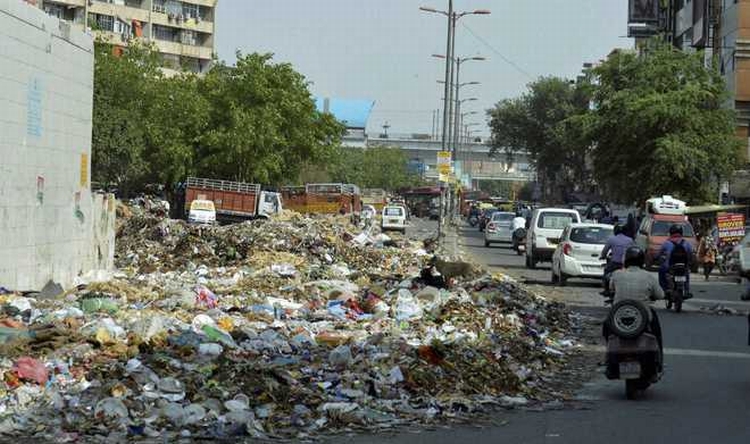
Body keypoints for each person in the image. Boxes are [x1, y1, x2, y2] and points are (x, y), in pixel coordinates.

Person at [607, 246, 664, 364]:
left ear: (626, 260)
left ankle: (608, 358)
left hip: (618, 318)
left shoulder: (617, 274)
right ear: (642, 261)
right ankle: (659, 361)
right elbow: (660, 295)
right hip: (643, 318)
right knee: (656, 332)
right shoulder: (648, 276)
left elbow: (611, 289)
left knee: (606, 329)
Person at [658, 224, 694, 295]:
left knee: (661, 271)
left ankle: (665, 290)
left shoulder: (666, 243)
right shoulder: (687, 243)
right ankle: (687, 291)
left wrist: (657, 258)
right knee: (686, 274)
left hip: (670, 267)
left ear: (671, 232)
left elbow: (659, 254)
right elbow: (691, 254)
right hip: (683, 267)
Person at [600, 224, 635, 295]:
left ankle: (606, 290)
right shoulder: (630, 240)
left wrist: (603, 256)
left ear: (615, 231)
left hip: (614, 263)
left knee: (606, 272)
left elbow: (605, 251)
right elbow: (634, 250)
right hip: (626, 264)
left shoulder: (611, 239)